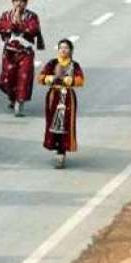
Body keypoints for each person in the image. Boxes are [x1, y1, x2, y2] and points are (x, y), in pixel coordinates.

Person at [0, 0, 44, 116]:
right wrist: (13, 23)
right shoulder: (6, 15)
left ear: (26, 3)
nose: (19, 4)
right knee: (7, 78)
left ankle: (20, 103)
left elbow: (33, 29)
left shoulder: (32, 17)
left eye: (22, 1)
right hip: (9, 52)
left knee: (23, 77)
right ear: (12, 2)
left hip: (25, 53)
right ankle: (12, 97)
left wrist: (20, 24)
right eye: (16, 0)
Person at [40, 38, 85, 169]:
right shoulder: (52, 63)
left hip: (67, 97)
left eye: (66, 47)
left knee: (65, 124)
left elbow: (81, 80)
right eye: (61, 48)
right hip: (53, 96)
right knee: (52, 123)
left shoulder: (74, 65)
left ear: (70, 50)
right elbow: (41, 77)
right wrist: (50, 78)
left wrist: (68, 80)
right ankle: (55, 147)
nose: (63, 50)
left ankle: (62, 150)